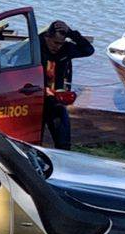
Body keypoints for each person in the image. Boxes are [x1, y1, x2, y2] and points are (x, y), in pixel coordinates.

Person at [39, 20, 93, 149]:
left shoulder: (66, 49)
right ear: (47, 37)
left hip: (56, 100)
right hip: (37, 98)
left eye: (61, 43)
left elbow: (88, 50)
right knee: (34, 139)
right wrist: (42, 89)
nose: (57, 47)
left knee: (63, 143)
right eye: (55, 42)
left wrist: (72, 34)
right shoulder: (36, 47)